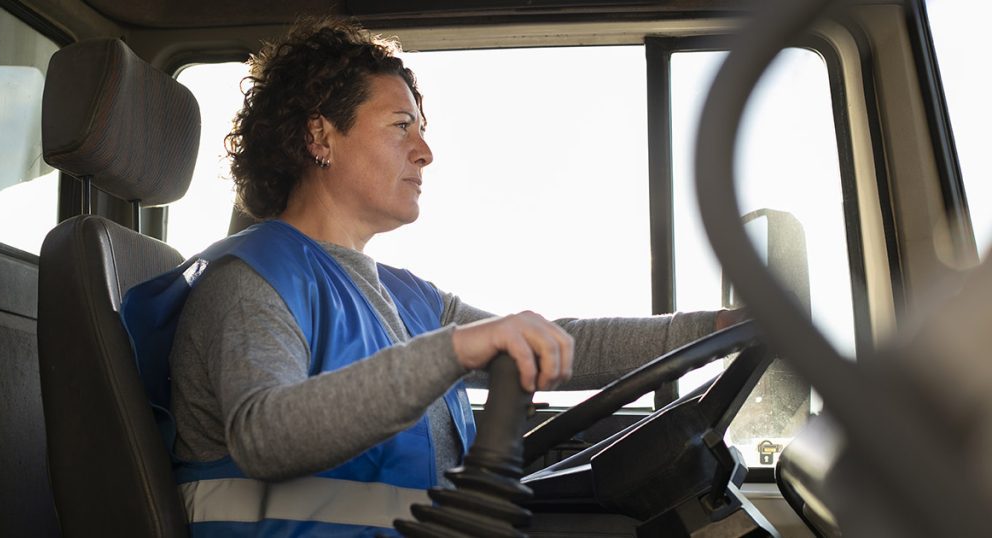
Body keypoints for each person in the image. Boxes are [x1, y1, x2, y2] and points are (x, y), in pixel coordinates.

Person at [121, 16, 745, 538]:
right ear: (320, 135)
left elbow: (563, 342)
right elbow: (266, 435)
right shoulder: (249, 281)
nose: (425, 151)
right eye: (401, 126)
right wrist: (450, 351)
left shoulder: (405, 295)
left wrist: (716, 329)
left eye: (422, 129)